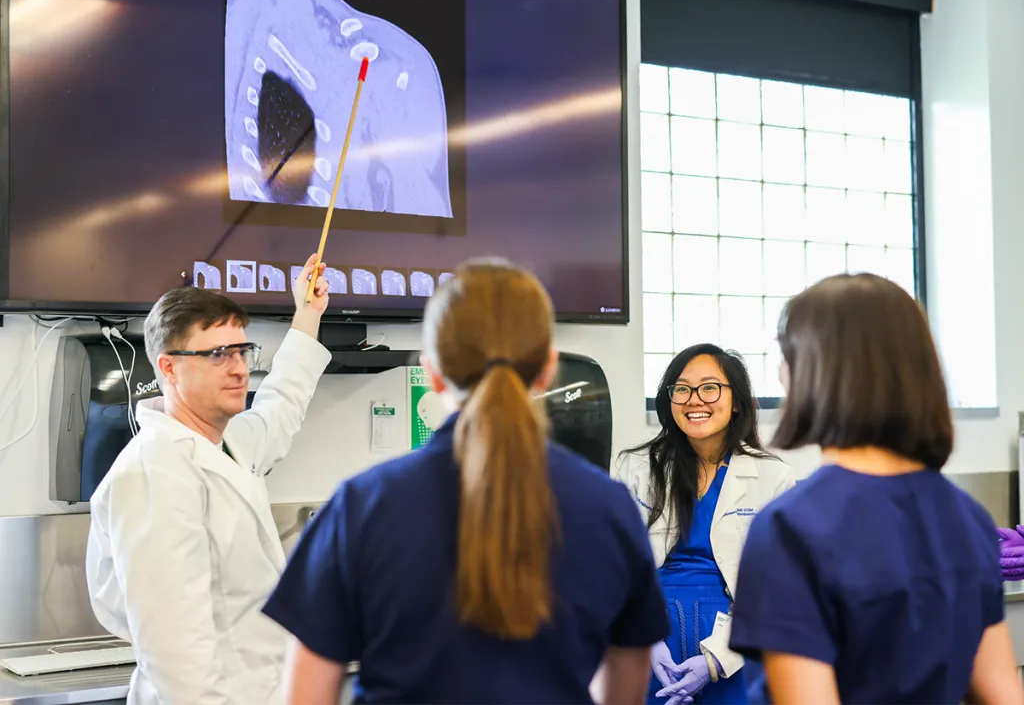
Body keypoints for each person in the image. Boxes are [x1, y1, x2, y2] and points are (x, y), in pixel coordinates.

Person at [261, 259, 670, 705]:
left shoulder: (362, 505)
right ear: (548, 368)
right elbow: (626, 683)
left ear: (432, 370)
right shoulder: (609, 508)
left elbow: (307, 694)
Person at [729, 273, 1024, 705]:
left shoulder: (790, 530)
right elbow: (1003, 695)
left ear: (817, 372)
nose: (780, 372)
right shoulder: (967, 518)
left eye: (786, 356)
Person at [86, 253, 333, 705]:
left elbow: (281, 406)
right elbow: (177, 657)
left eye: (242, 351)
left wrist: (308, 313)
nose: (240, 368)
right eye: (218, 354)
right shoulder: (152, 473)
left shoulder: (228, 441)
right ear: (168, 368)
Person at [616, 344, 795, 705]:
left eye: (710, 387)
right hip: (649, 645)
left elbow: (780, 587)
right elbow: (614, 568)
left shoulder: (771, 476)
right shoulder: (635, 468)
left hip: (737, 647)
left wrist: (715, 660)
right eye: (681, 389)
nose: (694, 399)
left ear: (737, 401)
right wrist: (646, 640)